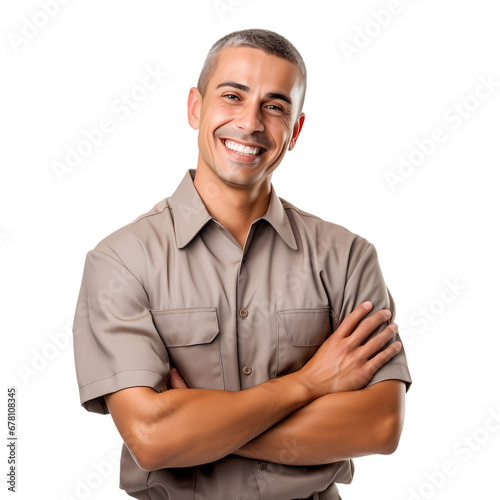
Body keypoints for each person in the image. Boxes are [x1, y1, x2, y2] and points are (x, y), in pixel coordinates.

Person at [72, 29, 412, 500]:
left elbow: (380, 425)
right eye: (233, 95)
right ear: (195, 107)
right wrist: (308, 384)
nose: (251, 123)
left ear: (295, 131)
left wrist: (196, 431)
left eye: (275, 106)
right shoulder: (122, 261)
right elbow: (151, 440)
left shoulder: (348, 258)